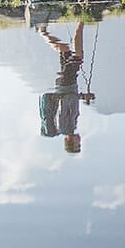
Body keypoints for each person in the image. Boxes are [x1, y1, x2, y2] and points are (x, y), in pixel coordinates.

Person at [37, 19, 96, 153]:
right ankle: (43, 31)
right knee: (65, 50)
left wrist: (82, 96)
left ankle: (81, 22)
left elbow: (64, 102)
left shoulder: (66, 127)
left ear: (70, 142)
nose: (80, 141)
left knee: (78, 56)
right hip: (67, 84)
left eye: (77, 144)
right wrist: (81, 97)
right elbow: (69, 102)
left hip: (66, 84)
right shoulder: (68, 127)